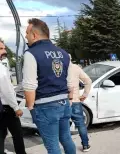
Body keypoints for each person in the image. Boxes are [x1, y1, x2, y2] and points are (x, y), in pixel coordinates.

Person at [22, 18, 76, 154]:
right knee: (66, 138)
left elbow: (29, 86)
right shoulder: (64, 53)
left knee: (52, 145)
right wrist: (69, 100)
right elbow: (70, 83)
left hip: (45, 106)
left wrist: (31, 108)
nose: (26, 37)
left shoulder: (31, 54)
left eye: (27, 33)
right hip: (64, 104)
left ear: (34, 35)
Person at [0, 40, 27, 154]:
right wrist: (16, 108)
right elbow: (7, 91)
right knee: (17, 135)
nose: (4, 51)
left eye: (4, 48)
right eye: (1, 49)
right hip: (6, 108)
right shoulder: (1, 69)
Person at [68, 54, 92, 152]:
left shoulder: (56, 69)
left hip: (62, 102)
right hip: (75, 100)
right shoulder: (75, 68)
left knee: (64, 126)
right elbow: (88, 81)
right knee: (80, 124)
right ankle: (85, 145)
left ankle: (68, 147)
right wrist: (85, 95)